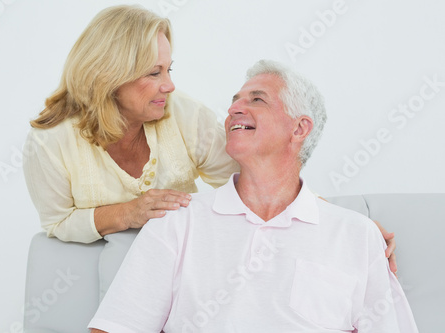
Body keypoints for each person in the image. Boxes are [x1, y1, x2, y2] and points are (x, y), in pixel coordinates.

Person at [23, 4, 396, 296]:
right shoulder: (49, 141)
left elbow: (256, 182)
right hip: (118, 268)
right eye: (154, 72)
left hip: (185, 266)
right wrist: (128, 213)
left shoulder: (180, 114)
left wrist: (351, 225)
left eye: (170, 69)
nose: (169, 85)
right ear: (109, 76)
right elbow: (57, 222)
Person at [88, 60, 418, 332]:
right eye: (235, 100)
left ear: (299, 129)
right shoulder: (177, 220)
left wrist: (356, 227)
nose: (233, 109)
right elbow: (115, 327)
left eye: (256, 99)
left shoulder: (357, 235)